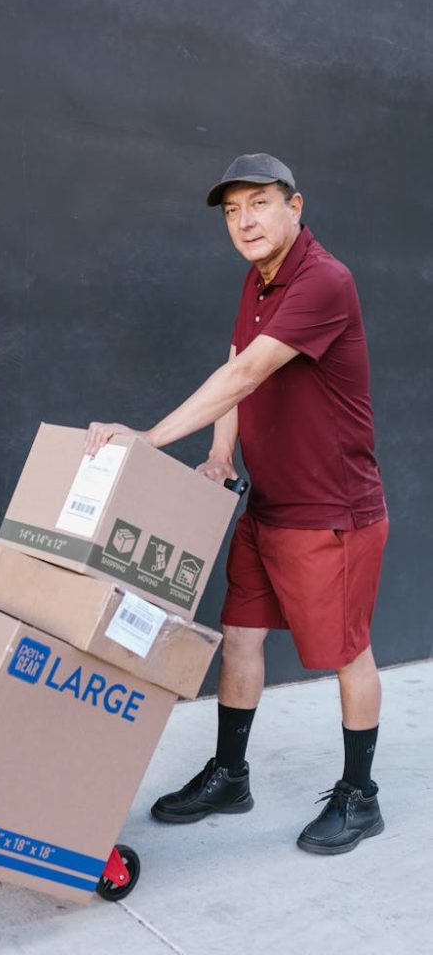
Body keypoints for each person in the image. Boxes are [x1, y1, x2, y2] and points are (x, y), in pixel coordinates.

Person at [84, 153, 388, 855]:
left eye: (258, 203)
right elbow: (236, 364)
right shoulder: (259, 281)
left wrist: (150, 438)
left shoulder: (322, 280)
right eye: (231, 210)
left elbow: (250, 370)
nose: (244, 221)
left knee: (347, 652)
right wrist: (222, 455)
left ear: (295, 206)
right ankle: (230, 775)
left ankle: (360, 797)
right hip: (268, 502)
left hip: (330, 510)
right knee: (241, 638)